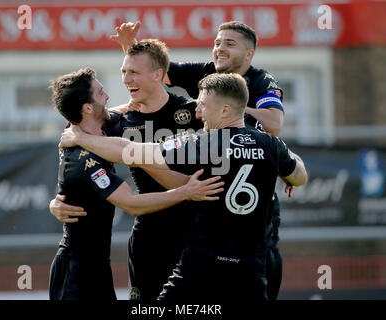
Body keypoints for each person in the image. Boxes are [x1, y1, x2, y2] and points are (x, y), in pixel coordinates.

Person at [59, 73, 308, 300]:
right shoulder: (272, 146)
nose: (198, 112)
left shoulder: (205, 143)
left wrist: (81, 137)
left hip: (203, 265)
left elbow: (130, 152)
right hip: (251, 269)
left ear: (225, 110)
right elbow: (299, 176)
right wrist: (285, 170)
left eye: (203, 105)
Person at [112, 20, 288, 299]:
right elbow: (153, 75)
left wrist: (231, 112)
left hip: (251, 226)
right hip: (197, 230)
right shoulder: (205, 72)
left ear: (249, 54)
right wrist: (129, 48)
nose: (219, 48)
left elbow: (275, 125)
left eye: (229, 43)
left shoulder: (261, 80)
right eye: (217, 42)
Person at [49, 40, 207, 301]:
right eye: (123, 72)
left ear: (158, 75)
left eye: (131, 72)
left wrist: (284, 163)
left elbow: (237, 132)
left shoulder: (193, 113)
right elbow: (75, 142)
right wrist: (56, 201)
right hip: (148, 242)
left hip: (195, 235)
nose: (122, 82)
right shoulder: (115, 126)